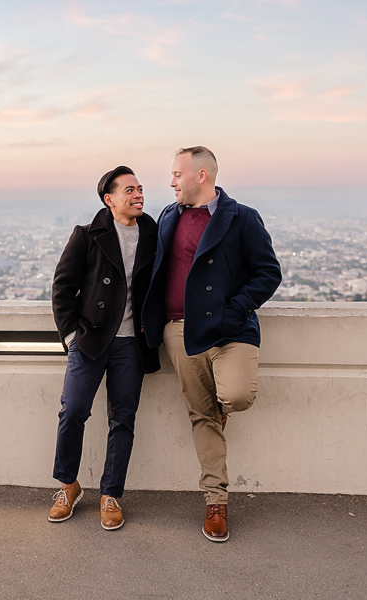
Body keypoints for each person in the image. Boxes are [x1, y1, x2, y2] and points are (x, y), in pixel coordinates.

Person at [141, 146, 281, 542]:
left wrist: (234, 310)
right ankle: (215, 501)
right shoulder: (169, 216)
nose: (170, 182)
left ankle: (221, 411)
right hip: (179, 331)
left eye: (176, 175)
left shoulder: (241, 218)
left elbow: (269, 272)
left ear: (201, 175)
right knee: (201, 416)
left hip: (230, 331)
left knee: (236, 397)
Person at [49, 166, 160, 530]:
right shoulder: (87, 235)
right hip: (91, 339)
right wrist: (70, 337)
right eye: (129, 190)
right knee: (73, 411)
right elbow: (62, 288)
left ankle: (111, 494)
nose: (138, 194)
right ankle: (69, 486)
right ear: (109, 199)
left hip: (132, 343)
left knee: (122, 419)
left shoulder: (153, 233)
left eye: (140, 188)